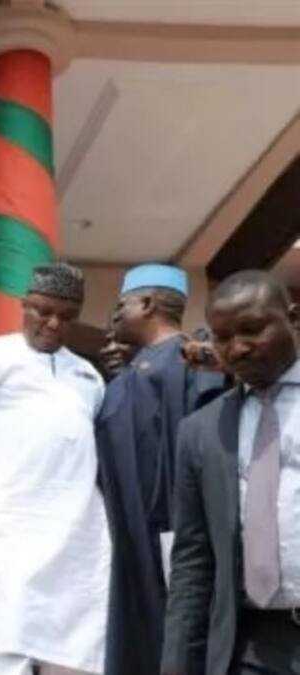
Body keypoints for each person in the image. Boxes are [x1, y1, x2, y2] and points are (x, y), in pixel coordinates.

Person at [0, 262, 109, 675]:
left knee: (76, 649)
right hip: (8, 524)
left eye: (66, 316)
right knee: (9, 642)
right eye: (43, 311)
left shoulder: (88, 375)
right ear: (24, 305)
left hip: (79, 531)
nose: (53, 323)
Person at [163, 270, 300, 675]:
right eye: (222, 337)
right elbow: (193, 561)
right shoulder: (200, 431)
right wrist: (177, 664)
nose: (238, 348)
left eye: (253, 330)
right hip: (251, 647)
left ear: (292, 318)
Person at [94, 264, 227, 675]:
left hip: (174, 535)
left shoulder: (189, 363)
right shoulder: (132, 371)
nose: (115, 316)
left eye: (122, 305)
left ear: (148, 303)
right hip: (130, 537)